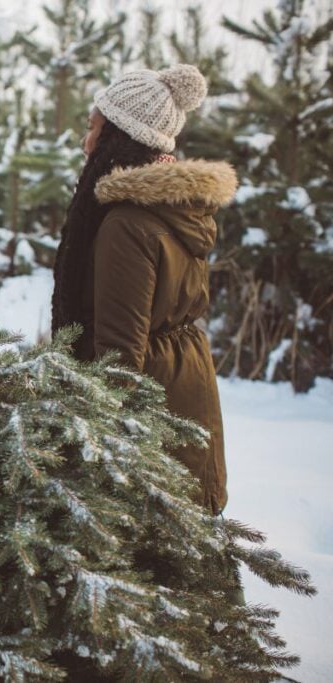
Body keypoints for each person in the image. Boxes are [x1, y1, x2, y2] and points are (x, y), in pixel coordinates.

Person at [51, 65, 236, 514]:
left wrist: (104, 445)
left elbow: (119, 351)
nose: (86, 141)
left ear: (119, 137)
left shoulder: (126, 223)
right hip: (184, 381)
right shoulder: (173, 208)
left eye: (93, 128)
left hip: (151, 398)